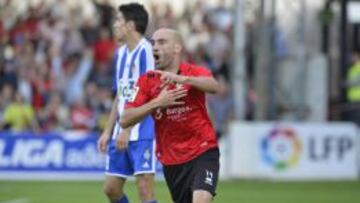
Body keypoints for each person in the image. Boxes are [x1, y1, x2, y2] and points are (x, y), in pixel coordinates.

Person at [120, 28, 221, 203]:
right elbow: (125, 119)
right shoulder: (146, 80)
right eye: (153, 43)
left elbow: (214, 86)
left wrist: (183, 80)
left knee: (201, 200)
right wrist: (157, 103)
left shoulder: (193, 72)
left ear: (177, 48)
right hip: (172, 160)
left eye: (162, 42)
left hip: (203, 150)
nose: (155, 47)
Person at [97, 3, 157, 203]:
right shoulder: (120, 53)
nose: (115, 25)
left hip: (142, 131)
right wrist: (108, 130)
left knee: (144, 188)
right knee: (111, 189)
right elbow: (119, 96)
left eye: (118, 20)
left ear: (130, 25)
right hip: (120, 131)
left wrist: (127, 129)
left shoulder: (146, 51)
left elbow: (148, 93)